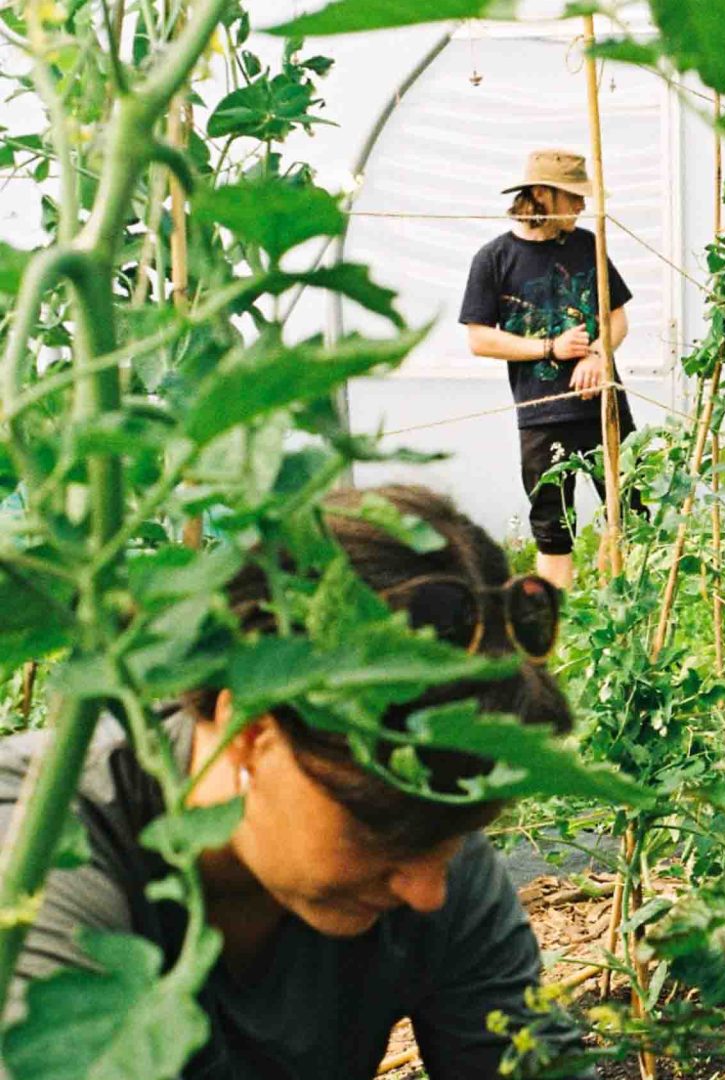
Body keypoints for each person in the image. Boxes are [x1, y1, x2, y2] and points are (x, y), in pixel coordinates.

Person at [0, 486, 579, 1079]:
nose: (430, 890)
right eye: (380, 832)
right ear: (251, 729)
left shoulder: (429, 829)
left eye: (452, 836)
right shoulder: (35, 848)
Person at [461, 147, 643, 589]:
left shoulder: (586, 246)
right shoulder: (494, 259)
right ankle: (558, 629)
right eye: (573, 197)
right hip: (542, 415)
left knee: (631, 517)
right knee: (552, 533)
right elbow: (479, 339)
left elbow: (618, 317)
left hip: (605, 405)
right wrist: (550, 348)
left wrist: (598, 353)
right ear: (542, 194)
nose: (582, 206)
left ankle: (625, 617)